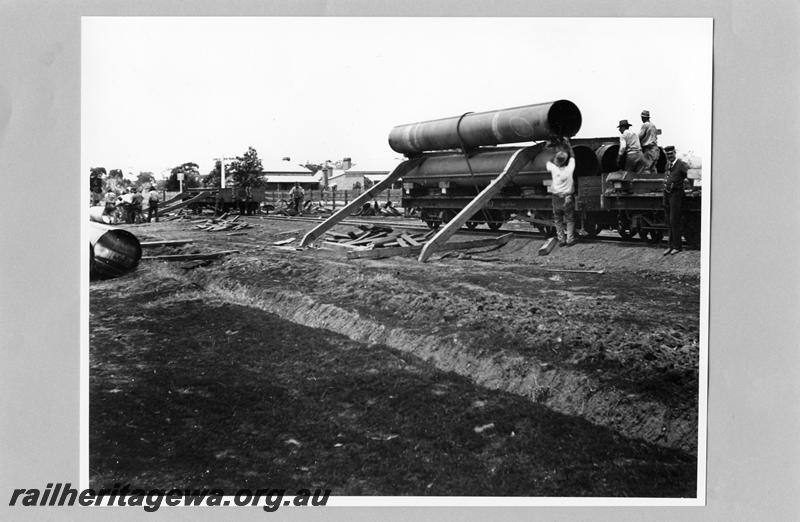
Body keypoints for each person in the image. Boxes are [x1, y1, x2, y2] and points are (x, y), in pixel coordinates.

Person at [545, 143, 577, 247]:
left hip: (556, 198)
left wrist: (552, 147)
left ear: (556, 161)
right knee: (569, 219)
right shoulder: (569, 169)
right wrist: (568, 145)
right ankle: (570, 240)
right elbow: (572, 156)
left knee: (558, 219)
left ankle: (561, 240)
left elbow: (548, 161)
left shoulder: (554, 169)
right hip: (567, 197)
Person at [662, 145, 689, 255]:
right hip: (667, 194)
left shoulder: (681, 164)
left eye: (671, 153)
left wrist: (691, 187)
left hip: (676, 194)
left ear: (675, 153)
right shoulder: (667, 165)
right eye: (667, 154)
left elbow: (689, 175)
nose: (670, 156)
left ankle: (677, 246)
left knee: (674, 220)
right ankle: (670, 246)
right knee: (669, 221)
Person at [638, 110, 660, 175]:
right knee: (653, 168)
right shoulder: (653, 125)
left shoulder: (645, 125)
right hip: (655, 149)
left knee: (646, 168)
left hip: (648, 149)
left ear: (643, 117)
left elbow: (640, 136)